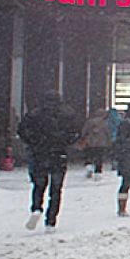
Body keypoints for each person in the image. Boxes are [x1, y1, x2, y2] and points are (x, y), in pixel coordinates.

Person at [17, 90, 82, 231]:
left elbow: (22, 130)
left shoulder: (35, 114)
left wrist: (34, 142)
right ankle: (51, 221)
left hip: (40, 153)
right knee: (56, 189)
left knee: (39, 184)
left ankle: (36, 208)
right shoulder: (67, 114)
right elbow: (76, 132)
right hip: (59, 154)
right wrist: (65, 142)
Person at [79, 109, 112, 181]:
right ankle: (98, 173)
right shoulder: (104, 123)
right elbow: (108, 133)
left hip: (90, 142)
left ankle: (89, 167)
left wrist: (83, 139)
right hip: (101, 143)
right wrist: (109, 142)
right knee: (99, 158)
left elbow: (84, 131)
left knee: (89, 156)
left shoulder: (89, 122)